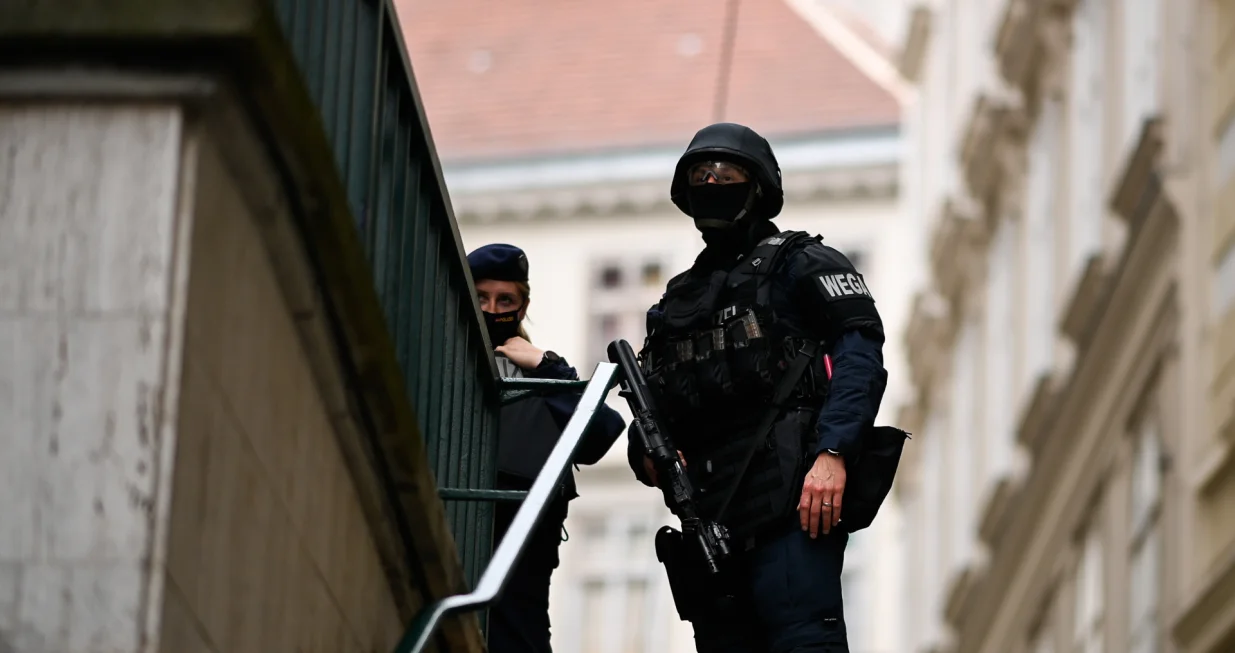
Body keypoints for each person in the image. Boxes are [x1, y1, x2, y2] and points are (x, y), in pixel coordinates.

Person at [627, 123, 891, 653]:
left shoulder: (801, 261)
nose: (711, 183)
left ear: (758, 186)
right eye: (700, 176)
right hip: (712, 522)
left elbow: (860, 354)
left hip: (792, 503)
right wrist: (646, 455)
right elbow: (654, 405)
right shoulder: (675, 302)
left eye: (725, 174)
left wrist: (834, 452)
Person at [466, 243, 627, 653]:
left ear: (523, 307)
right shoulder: (442, 355)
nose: (492, 309)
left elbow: (603, 431)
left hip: (523, 530)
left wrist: (547, 365)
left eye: (505, 300)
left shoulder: (538, 373)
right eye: (481, 297)